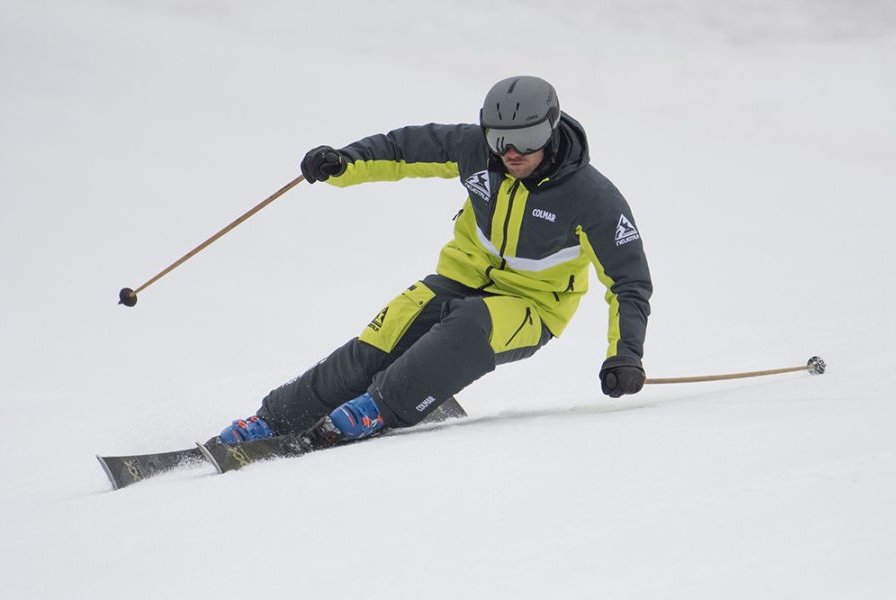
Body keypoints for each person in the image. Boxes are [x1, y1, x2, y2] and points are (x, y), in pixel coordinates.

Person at [217, 75, 653, 445]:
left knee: (467, 326)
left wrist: (625, 355)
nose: (511, 152)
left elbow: (628, 281)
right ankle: (274, 420)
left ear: (551, 130)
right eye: (499, 138)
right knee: (378, 342)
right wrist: (343, 162)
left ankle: (377, 409)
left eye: (526, 139)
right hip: (457, 279)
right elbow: (403, 149)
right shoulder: (478, 152)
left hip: (532, 307)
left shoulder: (592, 198)